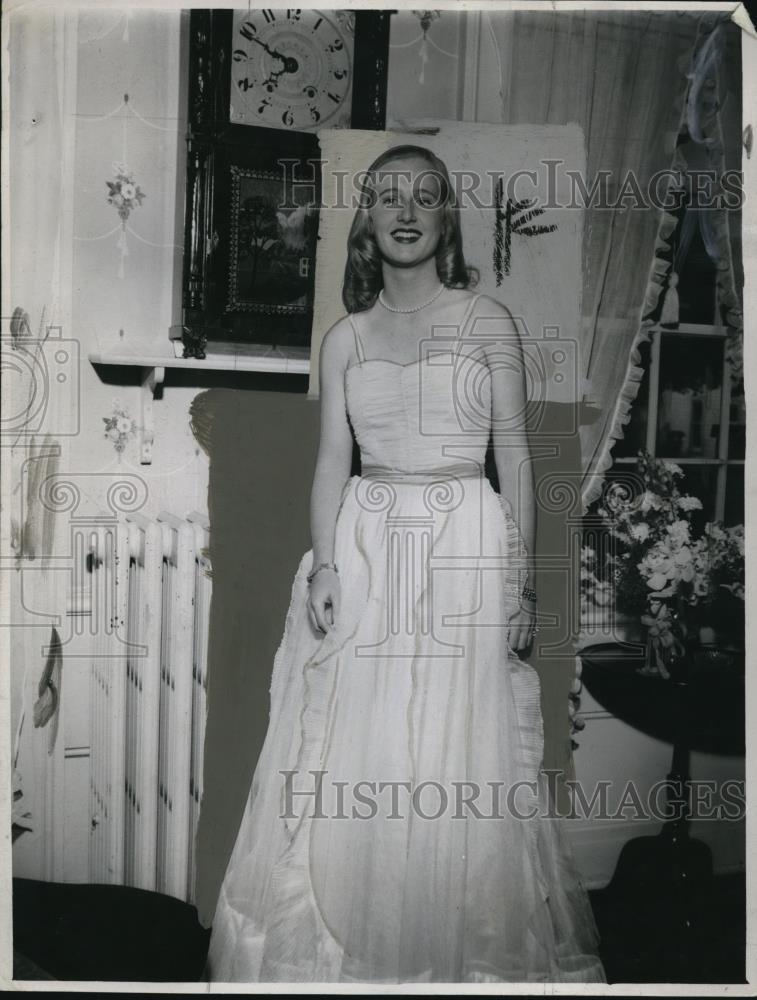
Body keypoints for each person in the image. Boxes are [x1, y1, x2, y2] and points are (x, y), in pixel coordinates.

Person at [206, 144, 606, 983]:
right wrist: (324, 567)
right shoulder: (344, 338)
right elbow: (329, 464)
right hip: (366, 541)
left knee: (459, 746)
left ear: (443, 216)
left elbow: (516, 456)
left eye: (423, 196)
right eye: (387, 196)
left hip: (464, 539)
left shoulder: (487, 320)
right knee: (361, 738)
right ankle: (346, 945)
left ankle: (451, 953)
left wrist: (518, 580)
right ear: (367, 220)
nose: (405, 210)